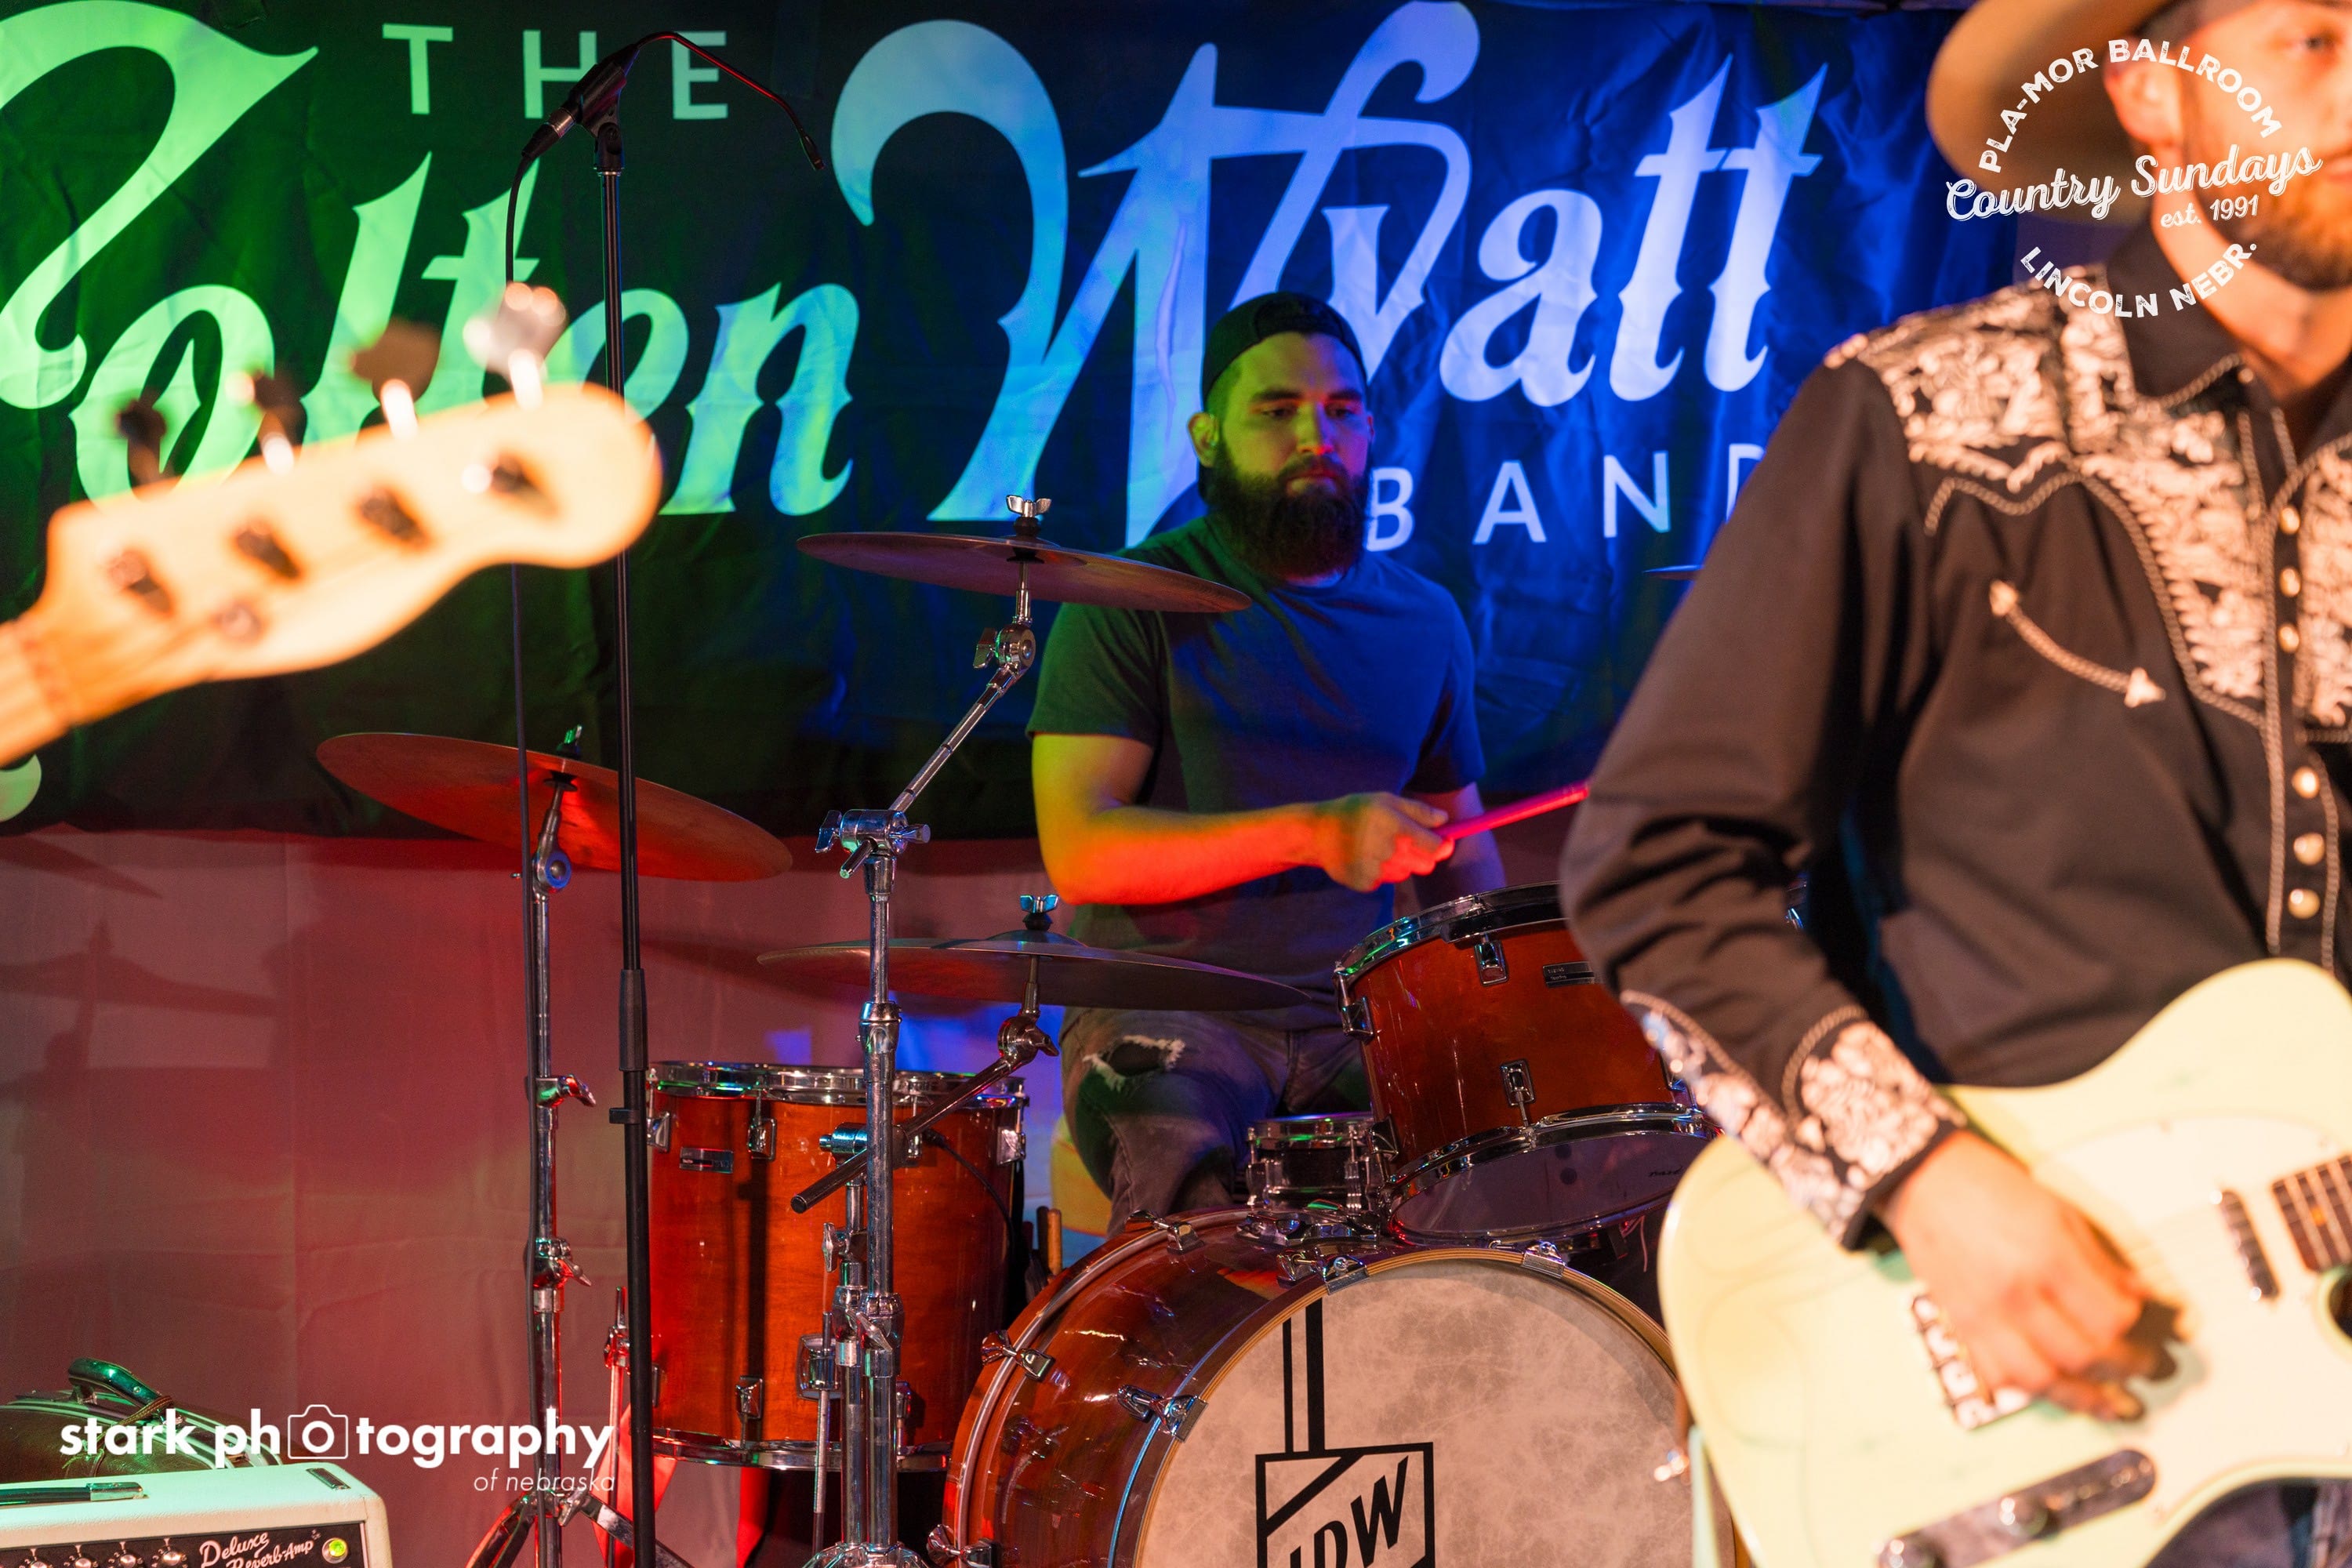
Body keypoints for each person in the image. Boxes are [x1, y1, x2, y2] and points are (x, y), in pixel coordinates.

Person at [1560, 0, 2352, 1563]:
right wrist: (1927, 1184)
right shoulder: (1920, 419)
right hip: (2045, 1404)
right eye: (2313, 40)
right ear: (2151, 93)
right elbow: (1656, 867)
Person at [1029, 291, 1504, 1233]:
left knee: (1505, 1159)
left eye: (1341, 410)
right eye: (1277, 410)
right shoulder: (1127, 601)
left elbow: (1463, 851)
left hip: (1354, 1019)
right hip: (1159, 1012)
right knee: (1194, 1180)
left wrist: (1508, 996)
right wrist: (1316, 832)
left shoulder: (1425, 620)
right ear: (1207, 437)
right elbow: (1081, 850)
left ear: (1370, 429)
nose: (1315, 437)